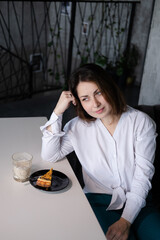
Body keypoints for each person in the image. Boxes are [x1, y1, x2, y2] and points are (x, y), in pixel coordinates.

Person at [40, 63, 160, 239]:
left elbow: (143, 176)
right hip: (98, 201)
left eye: (98, 92)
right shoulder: (77, 127)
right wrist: (58, 112)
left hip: (139, 202)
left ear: (109, 88)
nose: (95, 104)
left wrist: (126, 221)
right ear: (78, 102)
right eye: (85, 98)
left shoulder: (141, 123)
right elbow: (50, 155)